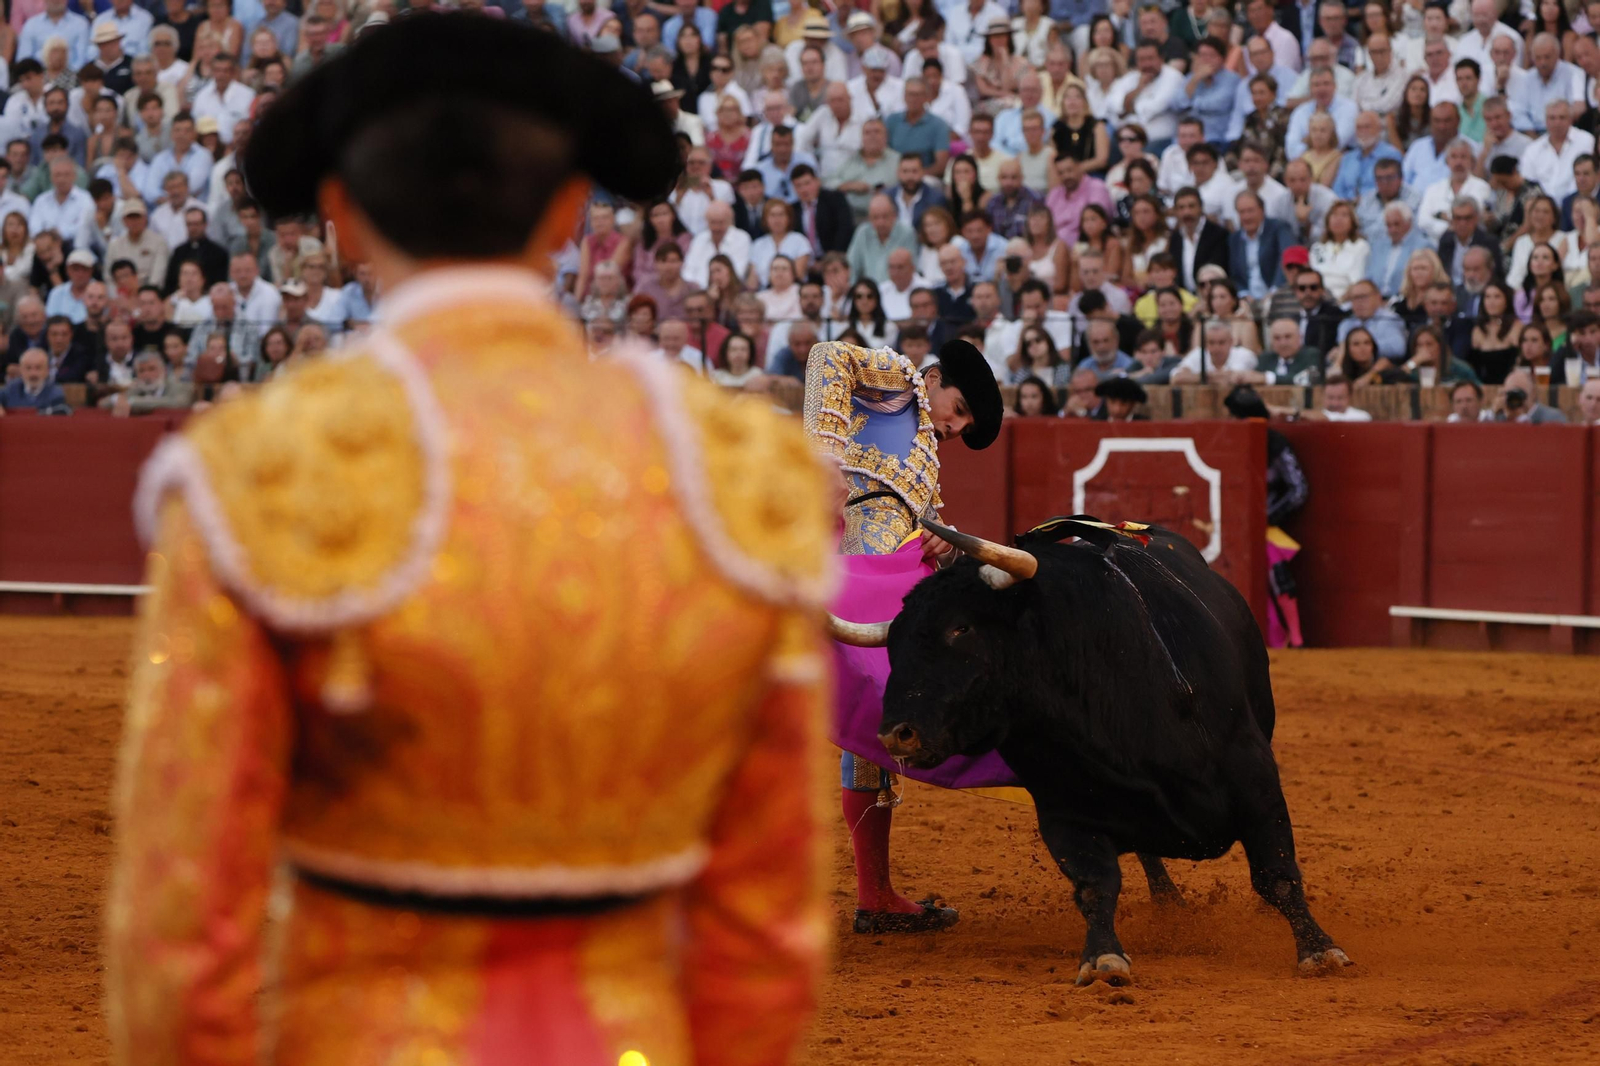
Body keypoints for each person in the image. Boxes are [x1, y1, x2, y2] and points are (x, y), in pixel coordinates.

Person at [107, 20, 836, 1066]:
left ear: (340, 213)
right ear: (571, 209)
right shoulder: (739, 473)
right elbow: (768, 930)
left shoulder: (260, 469)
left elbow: (180, 932)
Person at [808, 335, 1002, 934]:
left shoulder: (925, 467)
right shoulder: (897, 382)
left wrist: (940, 539)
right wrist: (825, 460)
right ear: (936, 377)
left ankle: (875, 896)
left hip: (881, 603)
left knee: (877, 731)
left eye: (964, 425)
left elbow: (913, 528)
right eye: (959, 410)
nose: (954, 427)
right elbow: (826, 356)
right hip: (843, 575)